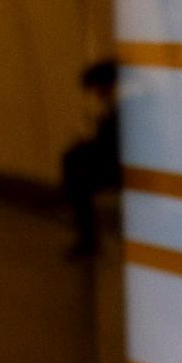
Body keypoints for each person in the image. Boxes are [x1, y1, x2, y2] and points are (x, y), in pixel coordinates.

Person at [59, 57, 122, 258]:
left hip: (119, 168)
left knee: (78, 175)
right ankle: (74, 211)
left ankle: (86, 237)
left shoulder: (127, 109)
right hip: (115, 163)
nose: (98, 95)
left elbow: (111, 145)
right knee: (72, 159)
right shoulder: (118, 106)